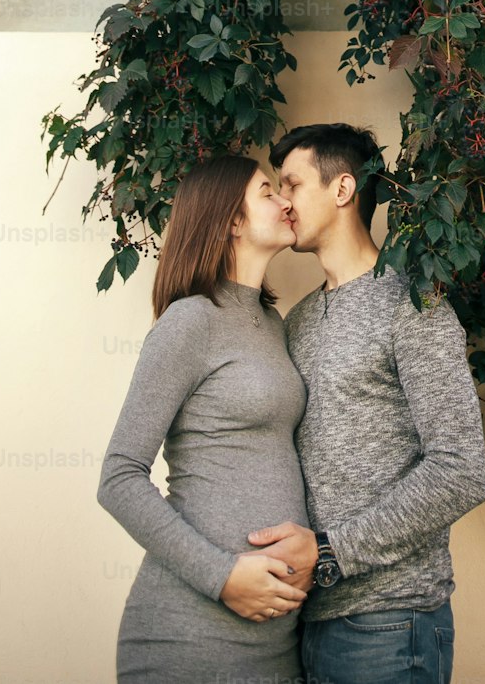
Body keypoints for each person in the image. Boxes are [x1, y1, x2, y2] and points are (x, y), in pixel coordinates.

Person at [248, 123, 485, 684]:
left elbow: (461, 470)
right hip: (307, 625)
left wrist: (329, 552)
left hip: (391, 624)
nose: (282, 201)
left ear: (342, 190)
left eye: (292, 184)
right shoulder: (299, 320)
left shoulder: (413, 302)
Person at [96, 155, 311, 684]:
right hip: (188, 639)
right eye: (268, 192)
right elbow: (118, 478)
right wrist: (223, 576)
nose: (286, 201)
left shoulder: (270, 322)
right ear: (231, 219)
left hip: (276, 648)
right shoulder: (190, 321)